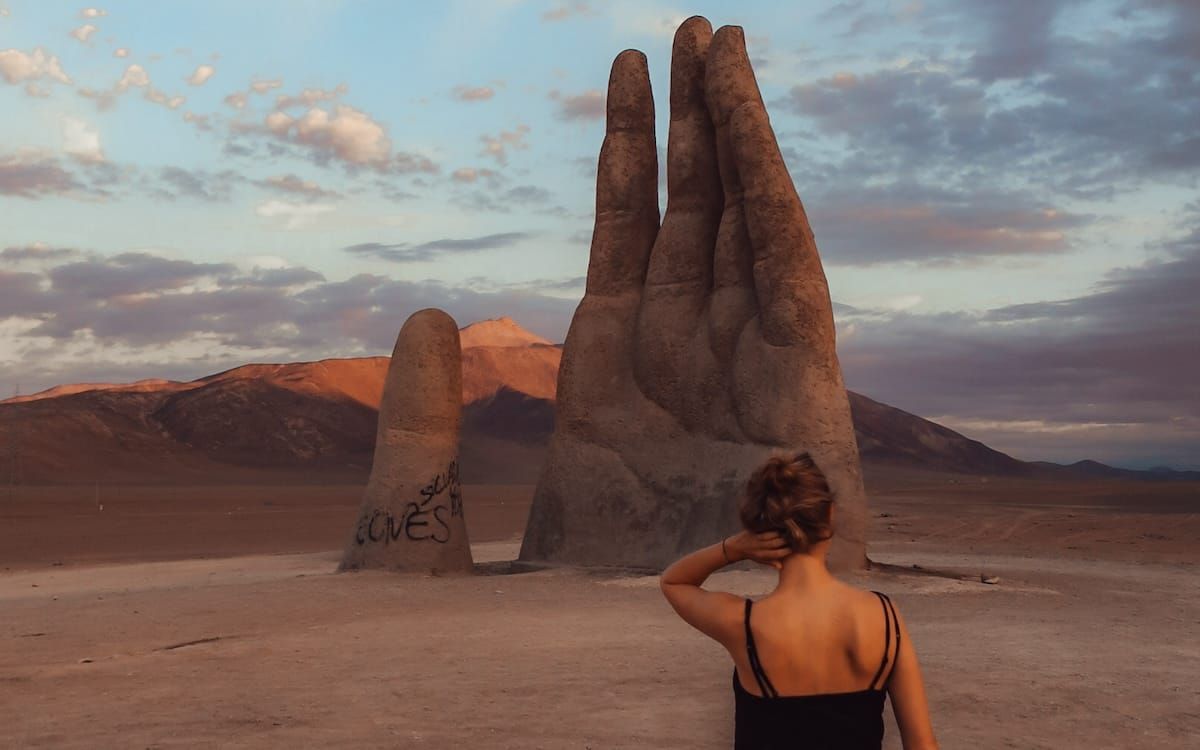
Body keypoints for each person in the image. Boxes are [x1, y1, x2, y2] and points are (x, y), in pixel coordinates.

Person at [660, 452, 939, 749]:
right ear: (829, 515)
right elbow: (922, 745)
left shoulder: (745, 625)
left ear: (759, 528)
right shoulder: (884, 617)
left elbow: (674, 581)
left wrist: (733, 548)